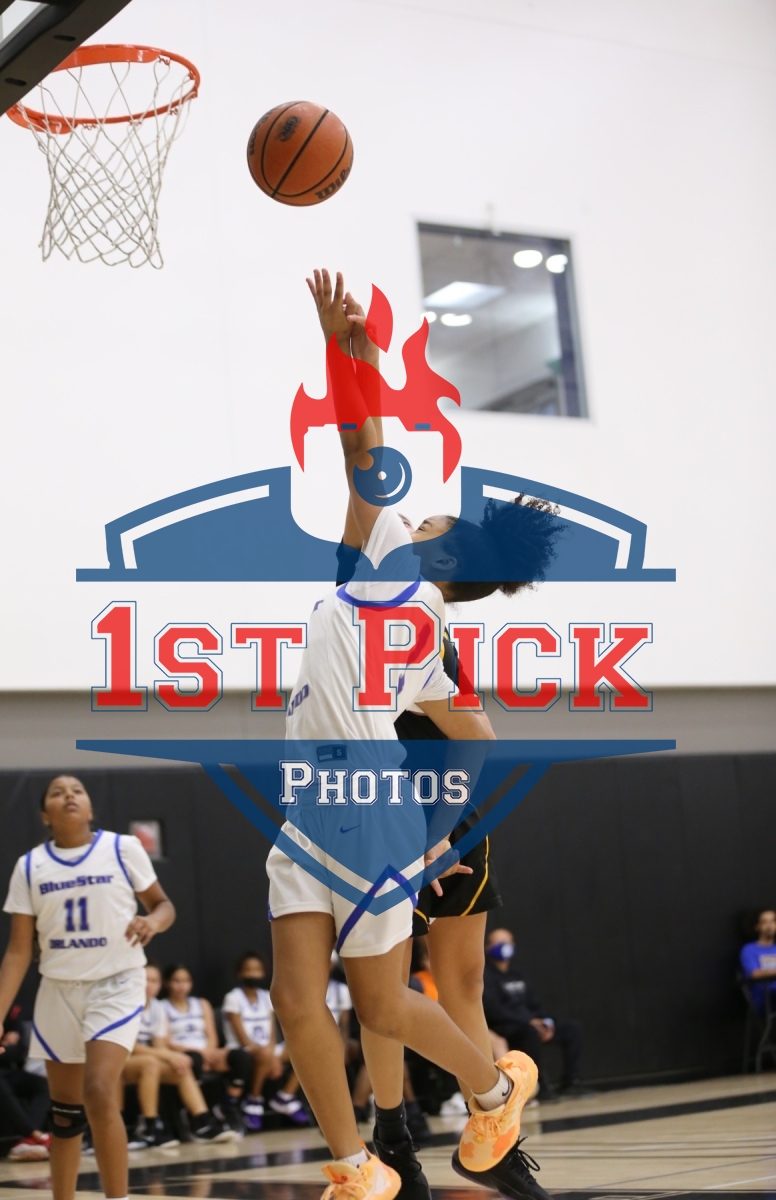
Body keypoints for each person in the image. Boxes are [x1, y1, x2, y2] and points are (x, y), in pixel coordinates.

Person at [267, 269, 552, 1200]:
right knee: (295, 1001)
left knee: (383, 1003)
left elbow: (362, 444)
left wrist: (348, 357)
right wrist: (347, 356)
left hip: (368, 807)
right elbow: (475, 729)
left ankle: (492, 1091)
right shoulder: (396, 600)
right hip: (311, 802)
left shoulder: (399, 568)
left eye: (428, 517)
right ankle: (358, 1169)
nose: (409, 511)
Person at [0, 774, 175, 1200]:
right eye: (57, 792)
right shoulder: (30, 866)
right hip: (59, 989)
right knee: (66, 1114)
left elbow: (164, 905)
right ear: (44, 815)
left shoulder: (122, 848)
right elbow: (18, 950)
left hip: (116, 982)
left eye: (77, 790)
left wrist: (152, 922)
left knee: (99, 1090)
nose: (68, 795)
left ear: (90, 808)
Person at [122, 963, 235, 1146]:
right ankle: (150, 1128)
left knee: (180, 1066)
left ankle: (201, 1122)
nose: (149, 985)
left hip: (145, 1061)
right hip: (121, 1061)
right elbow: (129, 1045)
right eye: (145, 980)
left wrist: (173, 1058)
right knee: (152, 1063)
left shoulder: (157, 1007)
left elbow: (159, 1045)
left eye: (154, 981)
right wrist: (168, 1055)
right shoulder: (125, 1005)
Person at [484, 929, 588, 1099]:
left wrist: (545, 1021)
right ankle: (539, 1088)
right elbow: (494, 1010)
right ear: (488, 947)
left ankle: (571, 1083)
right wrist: (529, 1022)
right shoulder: (485, 976)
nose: (503, 946)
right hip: (506, 1027)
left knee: (572, 1029)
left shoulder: (517, 974)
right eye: (497, 943)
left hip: (531, 1023)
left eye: (506, 942)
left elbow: (533, 1003)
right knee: (530, 1033)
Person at [221, 951, 308, 1131]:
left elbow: (271, 1034)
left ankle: (285, 1097)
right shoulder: (233, 998)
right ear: (240, 973)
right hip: (243, 1051)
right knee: (265, 1054)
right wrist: (270, 1055)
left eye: (257, 970)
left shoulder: (266, 996)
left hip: (267, 1050)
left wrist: (272, 1054)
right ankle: (253, 1100)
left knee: (306, 1051)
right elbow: (243, 1039)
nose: (253, 974)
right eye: (248, 970)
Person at [0, 959, 50, 1160]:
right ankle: (36, 1135)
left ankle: (26, 1141)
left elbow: (18, 1052)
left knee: (43, 1084)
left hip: (5, 1069)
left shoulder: (11, 1010)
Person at [160, 963, 244, 1131]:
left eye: (186, 981)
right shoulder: (162, 1006)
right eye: (176, 981)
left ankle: (228, 1106)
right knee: (194, 1060)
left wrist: (208, 1053)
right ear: (167, 983)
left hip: (208, 1053)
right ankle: (194, 1115)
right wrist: (199, 1054)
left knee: (241, 1057)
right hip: (182, 1054)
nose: (181, 985)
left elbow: (212, 1036)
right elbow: (167, 1042)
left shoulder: (202, 1003)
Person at [740, 908, 776, 1014]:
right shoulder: (749, 949)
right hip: (765, 999)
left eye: (773, 921)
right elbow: (754, 974)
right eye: (765, 922)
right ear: (757, 927)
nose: (770, 926)